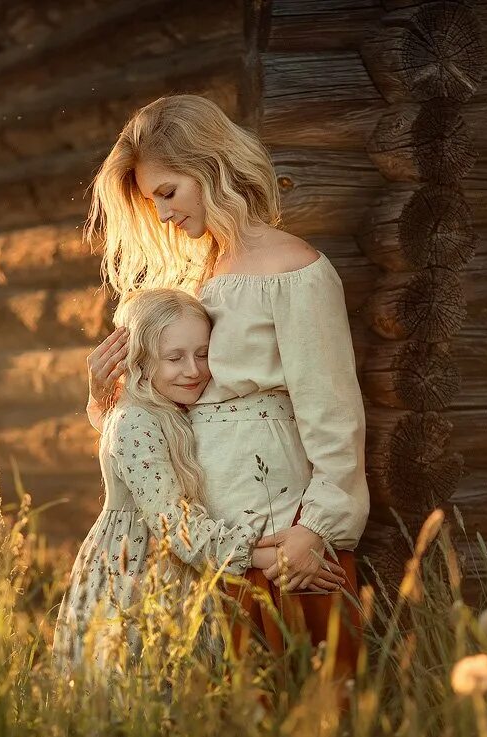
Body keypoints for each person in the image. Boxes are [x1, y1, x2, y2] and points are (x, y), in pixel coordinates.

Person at [82, 94, 369, 697]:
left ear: (211, 167)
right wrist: (104, 393)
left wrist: (313, 527)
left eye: (167, 191)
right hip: (202, 545)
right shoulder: (192, 279)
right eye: (149, 199)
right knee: (222, 732)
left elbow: (334, 416)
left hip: (279, 533)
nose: (160, 214)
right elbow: (149, 437)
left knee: (306, 712)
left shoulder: (295, 272)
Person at [52, 288, 346, 676]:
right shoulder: (135, 420)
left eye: (203, 354)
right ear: (139, 360)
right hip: (134, 574)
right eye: (174, 357)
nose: (193, 370)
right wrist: (261, 555)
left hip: (177, 567)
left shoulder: (164, 410)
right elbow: (172, 523)